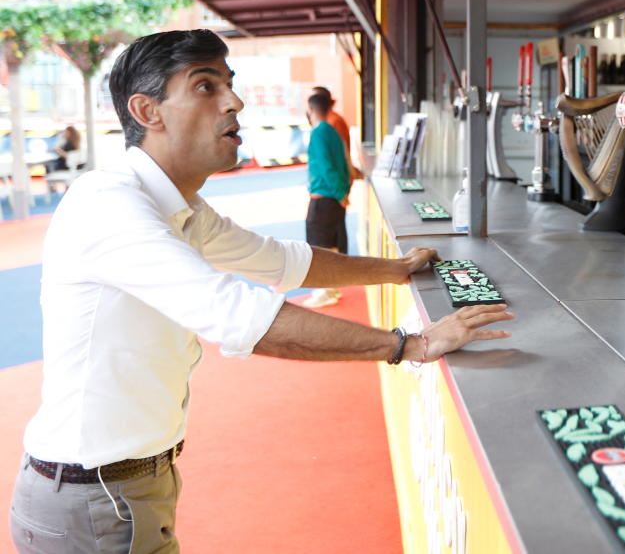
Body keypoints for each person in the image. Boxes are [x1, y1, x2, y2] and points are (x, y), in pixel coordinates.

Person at [9, 29, 513, 554]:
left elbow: (280, 260)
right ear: (147, 111)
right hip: (93, 499)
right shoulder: (111, 204)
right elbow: (237, 315)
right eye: (206, 87)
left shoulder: (180, 207)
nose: (235, 101)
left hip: (130, 486)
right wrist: (410, 345)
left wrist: (396, 269)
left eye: (229, 83)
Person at [303, 91, 350, 308]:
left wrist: (339, 194)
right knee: (331, 244)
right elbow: (343, 165)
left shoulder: (319, 133)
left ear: (311, 110)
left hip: (324, 198)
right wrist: (343, 193)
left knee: (319, 248)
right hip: (334, 197)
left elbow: (326, 167)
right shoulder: (332, 131)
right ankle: (331, 288)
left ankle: (326, 291)